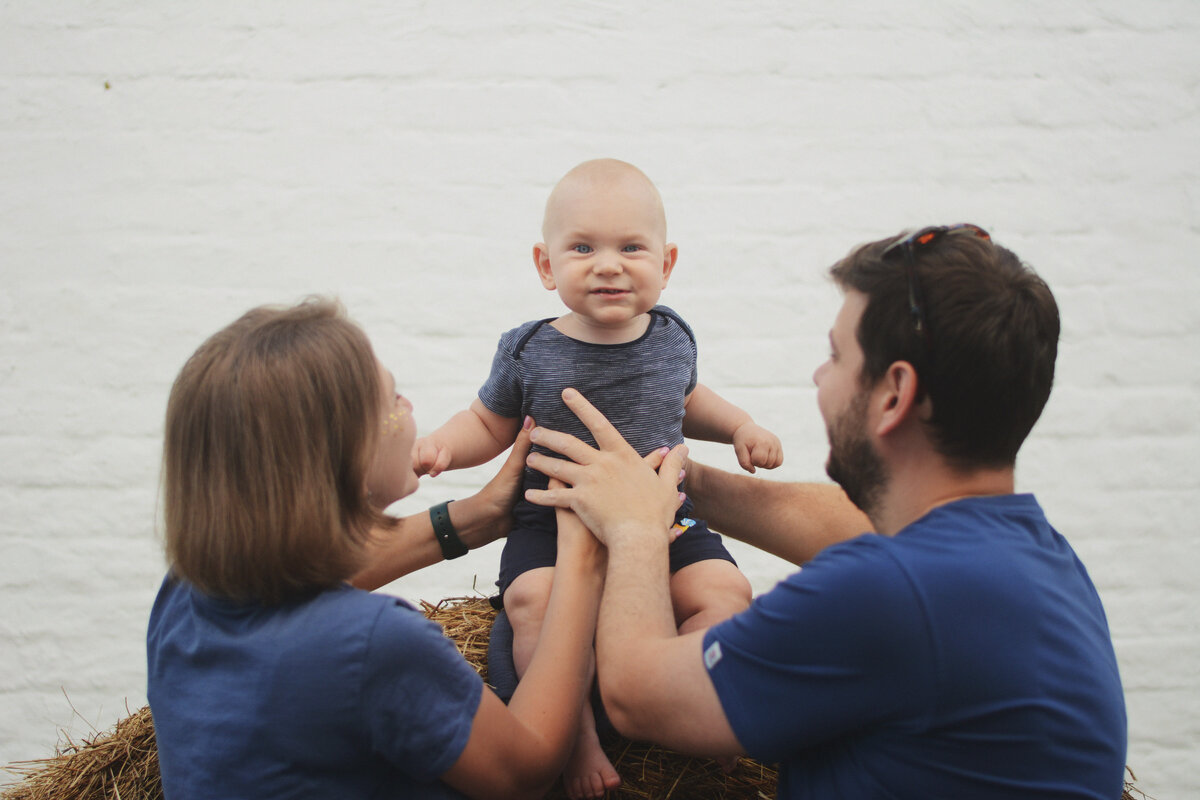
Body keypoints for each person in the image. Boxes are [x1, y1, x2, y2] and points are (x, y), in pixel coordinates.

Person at [523, 225, 1128, 799]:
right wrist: (669, 475)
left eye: (836, 356)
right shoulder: (1042, 559)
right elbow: (856, 527)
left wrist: (634, 528)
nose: (818, 376)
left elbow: (640, 696)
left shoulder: (882, 593)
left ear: (894, 394)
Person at [146, 297, 623, 800]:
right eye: (393, 400)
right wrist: (581, 559)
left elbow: (301, 570)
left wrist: (481, 516)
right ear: (344, 451)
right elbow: (523, 773)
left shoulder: (185, 591)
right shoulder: (374, 644)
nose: (409, 407)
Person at [411, 158, 783, 798]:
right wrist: (445, 444)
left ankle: (698, 707)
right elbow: (487, 419)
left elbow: (690, 400)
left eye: (630, 248)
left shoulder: (673, 338)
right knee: (532, 606)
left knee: (725, 589)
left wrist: (742, 426)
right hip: (553, 522)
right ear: (545, 265)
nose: (608, 264)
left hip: (665, 516)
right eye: (583, 247)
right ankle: (574, 733)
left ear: (666, 265)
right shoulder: (528, 348)